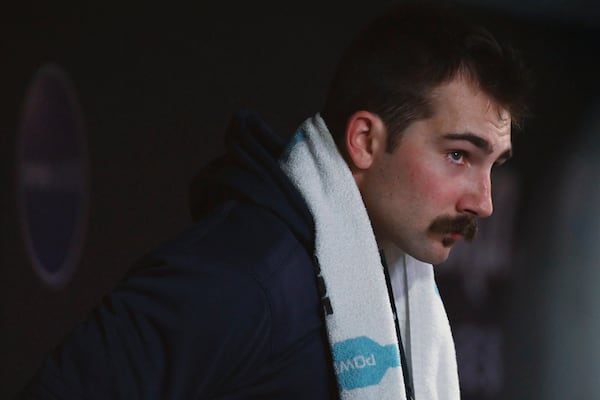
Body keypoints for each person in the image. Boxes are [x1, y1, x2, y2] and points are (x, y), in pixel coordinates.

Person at [21, 3, 528, 399]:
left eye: (494, 165)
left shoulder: (393, 287)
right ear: (366, 141)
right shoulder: (245, 278)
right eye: (459, 155)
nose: (484, 202)